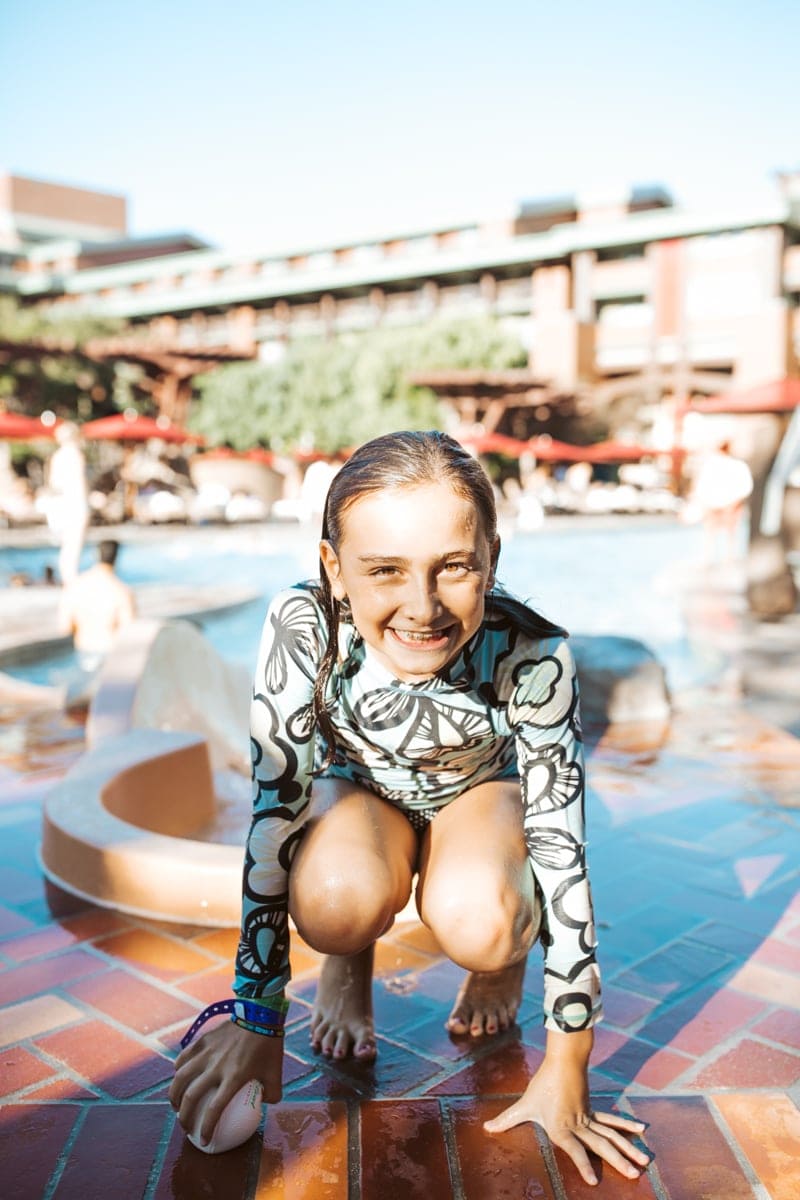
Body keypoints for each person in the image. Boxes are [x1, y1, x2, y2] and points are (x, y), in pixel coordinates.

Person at [170, 431, 648, 1186]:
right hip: (357, 790)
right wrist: (258, 1016)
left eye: (454, 568)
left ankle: (502, 964)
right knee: (331, 901)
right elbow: (275, 815)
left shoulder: (534, 654)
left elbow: (563, 855)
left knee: (486, 921)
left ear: (492, 556)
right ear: (334, 568)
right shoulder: (303, 627)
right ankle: (345, 961)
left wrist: (568, 1064)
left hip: (477, 794)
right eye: (384, 570)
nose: (421, 608)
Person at [58, 539, 136, 671]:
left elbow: (64, 627)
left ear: (96, 555)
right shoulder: (121, 591)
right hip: (109, 652)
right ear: (116, 558)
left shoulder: (76, 587)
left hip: (84, 650)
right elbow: (129, 631)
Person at [685, 440, 754, 564]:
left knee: (713, 532)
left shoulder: (714, 465)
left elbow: (702, 485)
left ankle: (712, 556)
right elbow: (746, 486)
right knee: (727, 532)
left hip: (720, 504)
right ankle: (726, 556)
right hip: (725, 504)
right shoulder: (734, 465)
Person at [45, 421, 90, 585]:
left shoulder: (57, 456)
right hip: (74, 503)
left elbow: (53, 483)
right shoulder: (75, 455)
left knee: (67, 544)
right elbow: (79, 482)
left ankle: (67, 577)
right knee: (74, 543)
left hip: (60, 503)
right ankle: (70, 579)